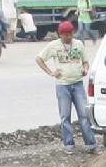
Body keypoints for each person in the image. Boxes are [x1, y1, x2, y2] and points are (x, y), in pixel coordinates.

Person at [37, 21, 97, 155]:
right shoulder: (54, 46)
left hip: (77, 84)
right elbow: (39, 59)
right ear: (60, 35)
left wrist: (85, 69)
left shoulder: (78, 44)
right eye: (65, 35)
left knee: (84, 115)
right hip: (62, 85)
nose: (68, 37)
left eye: (70, 34)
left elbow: (85, 61)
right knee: (65, 116)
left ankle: (91, 144)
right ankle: (69, 144)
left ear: (73, 33)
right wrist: (51, 72)